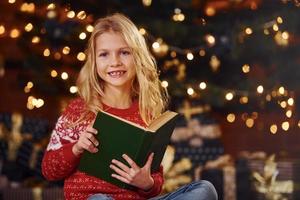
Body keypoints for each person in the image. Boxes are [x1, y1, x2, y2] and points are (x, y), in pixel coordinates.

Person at [42, 13, 218, 200]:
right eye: (104, 54)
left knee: (205, 190)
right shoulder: (79, 110)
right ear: (94, 62)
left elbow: (156, 178)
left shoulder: (147, 113)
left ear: (138, 57)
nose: (115, 62)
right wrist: (76, 148)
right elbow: (49, 170)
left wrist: (147, 183)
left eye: (124, 52)